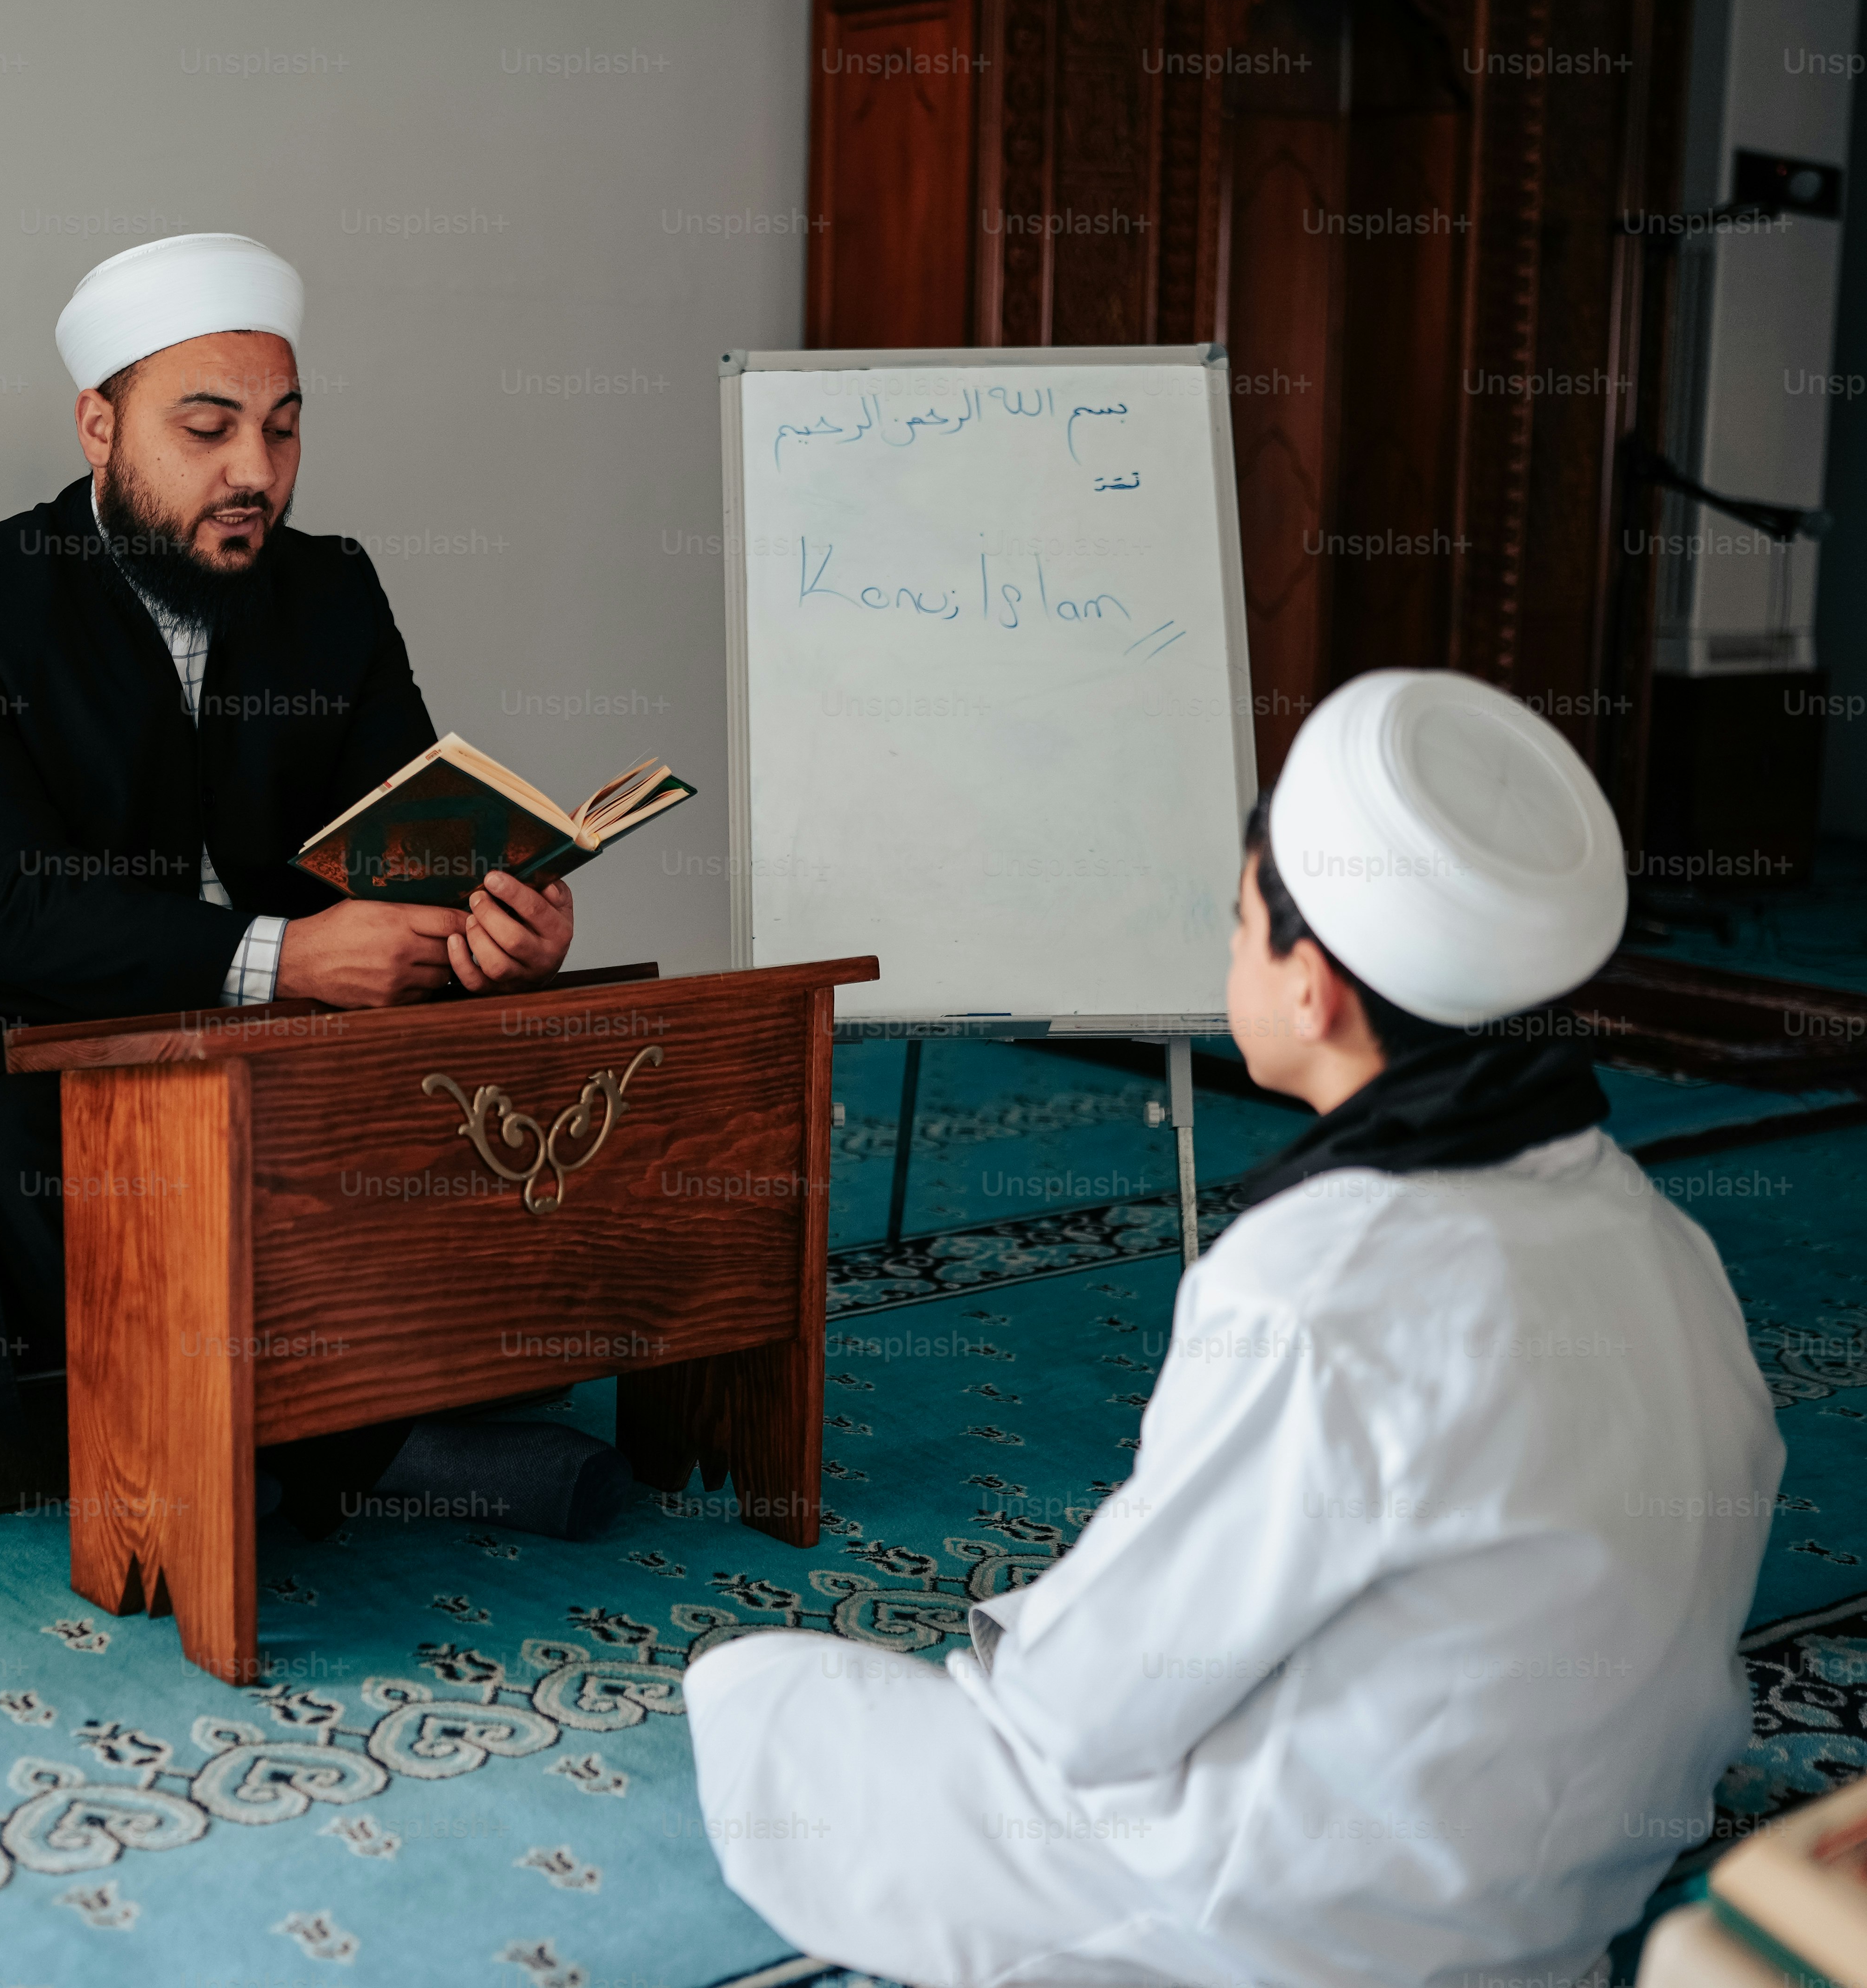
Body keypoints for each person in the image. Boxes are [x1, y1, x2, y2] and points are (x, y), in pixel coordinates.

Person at [683, 669, 1783, 1988]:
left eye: (1235, 921)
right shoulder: (1659, 1233)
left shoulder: (1322, 1279)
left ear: (1312, 986)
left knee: (759, 1707)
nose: (1224, 954)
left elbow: (1088, 1708)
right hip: (1574, 1889)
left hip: (1318, 1919)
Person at [0, 233, 581, 1524]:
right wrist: (286, 956)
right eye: (207, 429)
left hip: (275, 1042)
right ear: (97, 427)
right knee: (85, 1160)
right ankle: (352, 1460)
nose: (253, 474)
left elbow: (407, 846)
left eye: (281, 432)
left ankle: (404, 1387)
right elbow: (15, 912)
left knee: (541, 1058)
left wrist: (500, 923)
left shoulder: (328, 589)